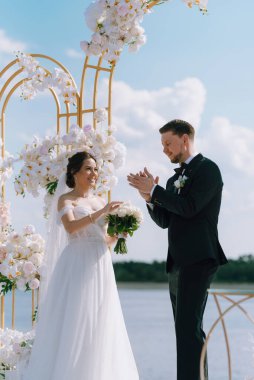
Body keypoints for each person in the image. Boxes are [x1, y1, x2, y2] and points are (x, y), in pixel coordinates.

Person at [11, 151, 139, 380]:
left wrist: (119, 234)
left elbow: (105, 240)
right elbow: (70, 227)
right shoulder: (66, 199)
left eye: (96, 169)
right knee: (77, 318)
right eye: (88, 168)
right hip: (77, 262)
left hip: (100, 262)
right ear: (74, 172)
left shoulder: (99, 200)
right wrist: (102, 212)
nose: (94, 173)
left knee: (100, 319)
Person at [127, 119, 227, 380]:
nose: (165, 150)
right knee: (184, 329)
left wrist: (156, 190)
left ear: (185, 139)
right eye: (162, 145)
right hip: (177, 262)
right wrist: (150, 198)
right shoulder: (173, 180)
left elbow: (190, 207)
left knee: (188, 328)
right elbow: (165, 221)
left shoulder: (208, 170)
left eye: (168, 143)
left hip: (200, 259)